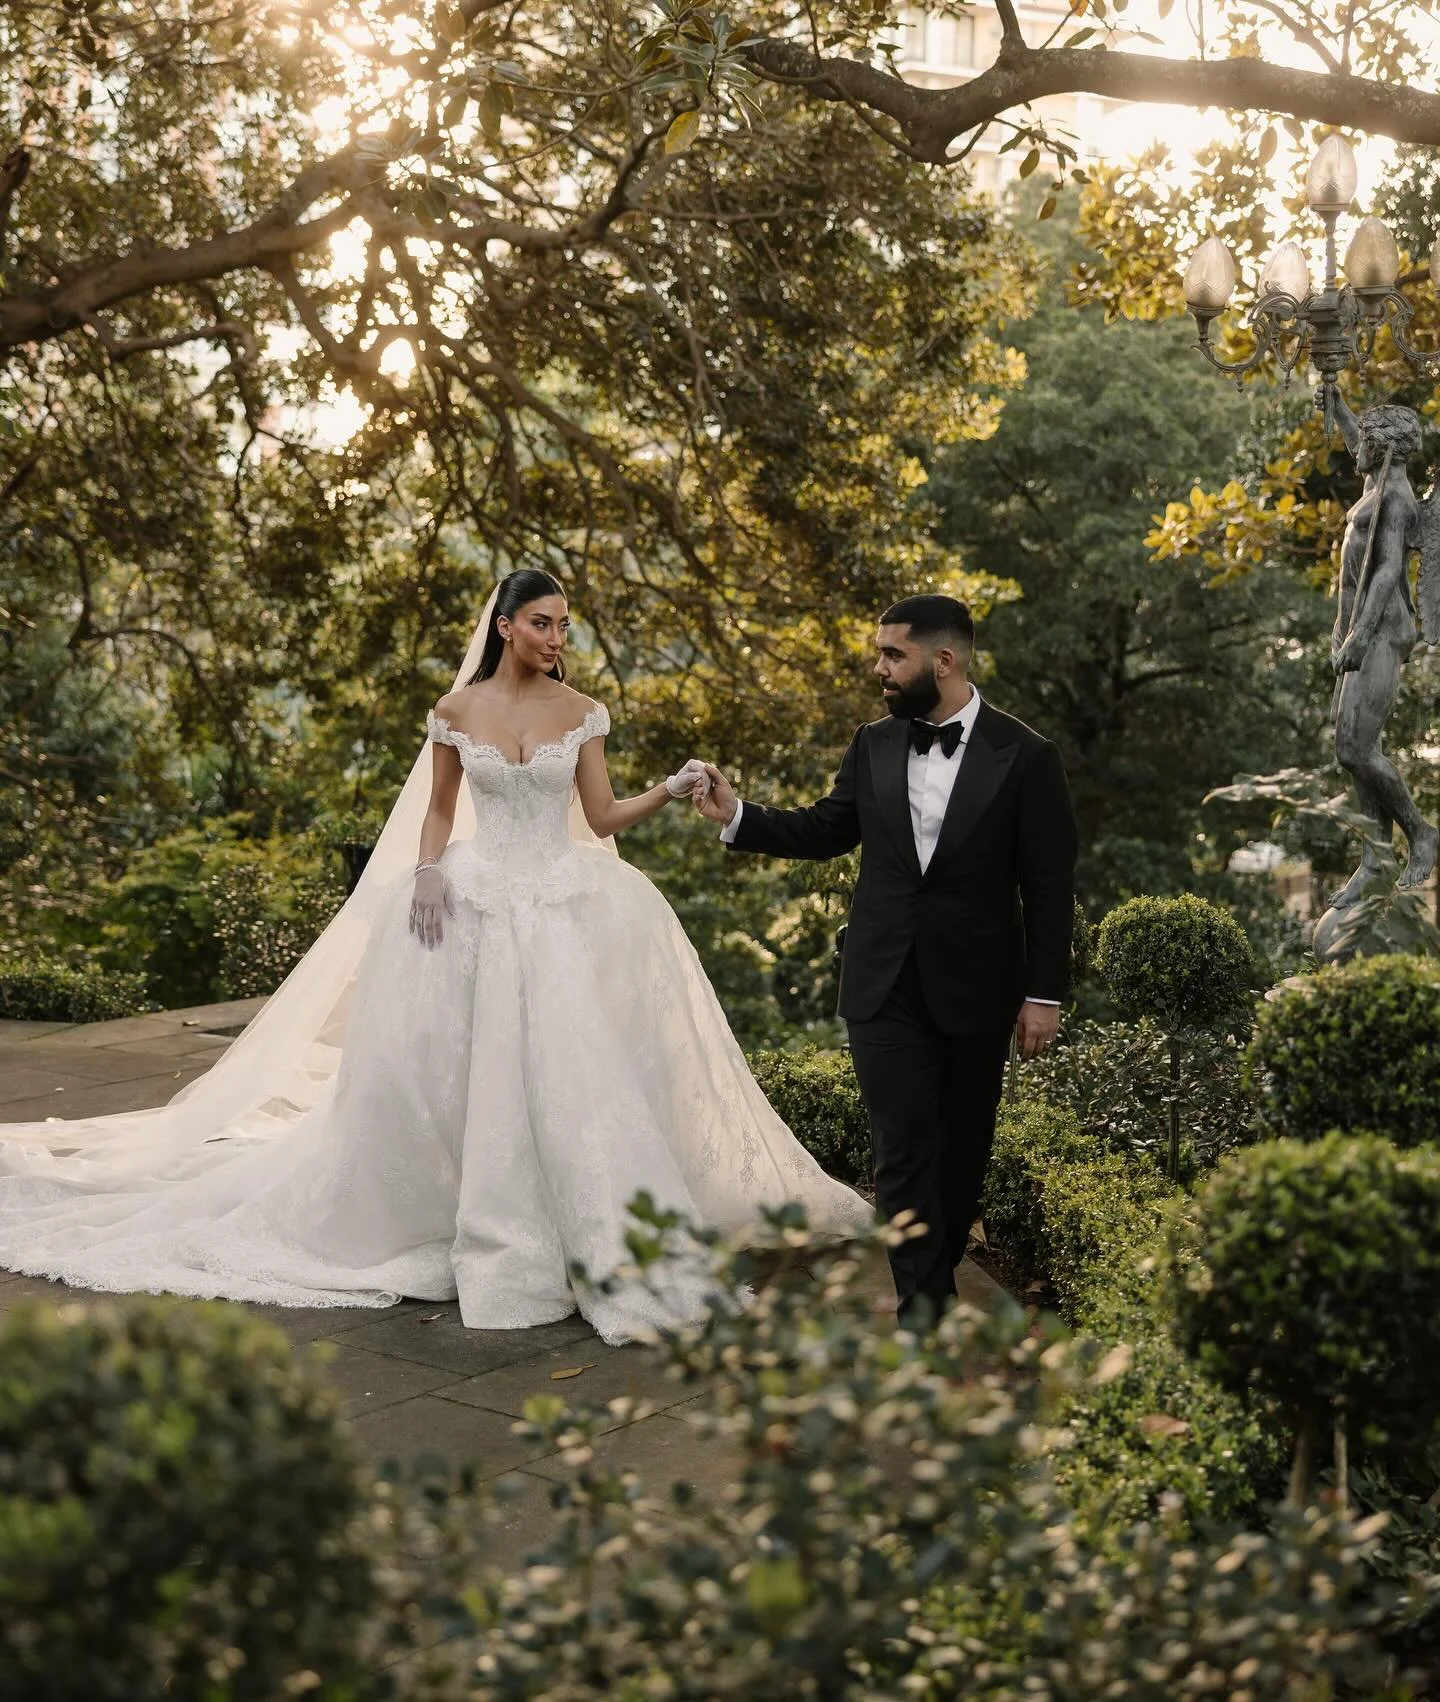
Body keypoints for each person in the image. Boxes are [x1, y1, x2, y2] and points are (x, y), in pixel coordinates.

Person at [0, 570, 870, 1345]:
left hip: (562, 902)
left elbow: (600, 820)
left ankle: (593, 1233)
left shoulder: (582, 713)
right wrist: (425, 874)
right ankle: (471, 1222)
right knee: (459, 1071)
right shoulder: (456, 713)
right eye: (543, 622)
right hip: (477, 895)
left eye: (565, 625)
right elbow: (440, 812)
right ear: (505, 627)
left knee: (572, 1074)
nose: (557, 638)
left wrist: (672, 790)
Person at [695, 594, 1077, 1328]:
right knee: (901, 1146)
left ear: (945, 660)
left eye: (893, 656)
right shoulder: (872, 743)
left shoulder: (1027, 757)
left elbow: (1050, 888)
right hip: (882, 981)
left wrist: (1045, 994)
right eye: (880, 655)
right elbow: (827, 827)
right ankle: (922, 1315)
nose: (881, 670)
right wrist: (738, 816)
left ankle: (931, 1294)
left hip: (977, 987)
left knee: (963, 1152)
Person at [1323, 386, 1438, 907]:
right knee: (1358, 750)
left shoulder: (1396, 499)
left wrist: (1360, 635)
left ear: (1387, 448)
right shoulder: (1377, 479)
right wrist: (1335, 397)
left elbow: (1388, 569)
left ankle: (1420, 833)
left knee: (1352, 747)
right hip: (1354, 632)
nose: (1356, 446)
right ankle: (1374, 859)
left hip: (1380, 632)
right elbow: (1355, 440)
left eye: (1367, 439)